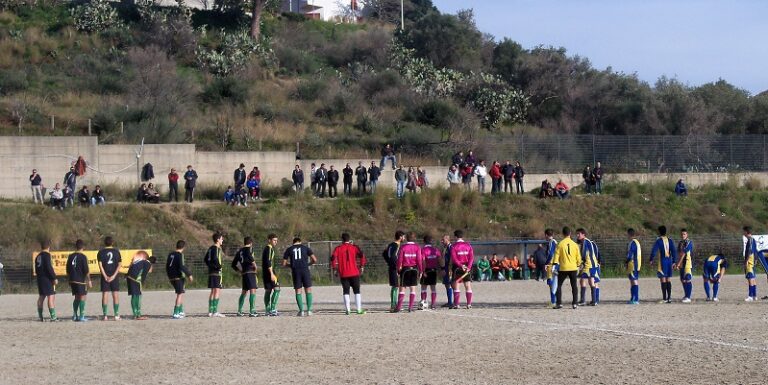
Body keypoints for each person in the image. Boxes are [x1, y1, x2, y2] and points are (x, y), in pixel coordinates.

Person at [331, 233, 367, 315]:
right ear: (349, 239)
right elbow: (362, 255)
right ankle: (358, 309)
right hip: (354, 273)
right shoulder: (354, 247)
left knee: (346, 291)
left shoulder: (338, 249)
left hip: (344, 273)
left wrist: (335, 269)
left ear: (342, 240)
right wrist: (361, 265)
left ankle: (348, 310)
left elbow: (333, 258)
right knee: (357, 291)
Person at [283, 238, 317, 316]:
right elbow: (315, 259)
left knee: (298, 290)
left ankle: (301, 311)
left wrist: (291, 265)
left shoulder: (289, 249)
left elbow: (284, 263)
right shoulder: (305, 248)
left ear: (293, 242)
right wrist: (308, 264)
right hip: (305, 270)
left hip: (296, 271)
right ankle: (309, 310)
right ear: (300, 242)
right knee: (308, 289)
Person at [553, 227, 582, 309]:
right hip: (573, 268)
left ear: (563, 234)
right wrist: (579, 265)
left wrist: (555, 265)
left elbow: (556, 256)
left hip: (563, 268)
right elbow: (578, 257)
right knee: (574, 286)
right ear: (570, 233)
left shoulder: (560, 244)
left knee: (558, 285)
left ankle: (559, 303)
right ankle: (575, 303)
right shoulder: (575, 244)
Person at [394, 232, 423, 312]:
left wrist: (398, 269)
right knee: (412, 289)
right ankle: (410, 307)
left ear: (406, 238)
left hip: (405, 269)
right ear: (414, 238)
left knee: (402, 289)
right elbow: (419, 260)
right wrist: (421, 271)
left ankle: (399, 307)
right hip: (414, 269)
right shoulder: (417, 247)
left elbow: (400, 259)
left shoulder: (403, 247)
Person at [649, 225, 677, 304]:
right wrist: (674, 261)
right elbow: (674, 251)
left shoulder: (659, 240)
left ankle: (664, 298)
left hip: (663, 261)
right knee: (668, 279)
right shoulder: (670, 240)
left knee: (663, 278)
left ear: (659, 232)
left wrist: (651, 259)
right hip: (669, 261)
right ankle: (669, 298)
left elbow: (654, 250)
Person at [232, 237, 258, 317]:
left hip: (244, 273)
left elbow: (233, 264)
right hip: (250, 272)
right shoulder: (248, 249)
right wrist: (255, 265)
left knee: (244, 292)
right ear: (251, 243)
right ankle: (252, 311)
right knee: (252, 290)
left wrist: (240, 271)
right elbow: (250, 256)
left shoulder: (240, 251)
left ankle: (239, 311)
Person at [166, 240, 193, 319]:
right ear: (184, 247)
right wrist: (189, 274)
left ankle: (180, 311)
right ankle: (175, 312)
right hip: (178, 277)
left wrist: (169, 276)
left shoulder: (171, 254)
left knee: (181, 292)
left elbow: (167, 266)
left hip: (171, 277)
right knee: (180, 294)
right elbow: (181, 266)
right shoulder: (179, 255)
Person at [66, 239, 91, 322]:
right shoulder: (83, 257)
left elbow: (67, 269)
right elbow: (86, 270)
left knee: (77, 297)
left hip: (72, 280)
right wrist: (89, 280)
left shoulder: (70, 256)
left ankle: (75, 315)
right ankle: (82, 316)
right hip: (80, 280)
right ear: (83, 247)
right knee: (82, 297)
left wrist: (69, 279)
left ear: (75, 246)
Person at [97, 236, 121, 321]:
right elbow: (119, 265)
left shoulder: (100, 252)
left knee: (105, 295)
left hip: (105, 276)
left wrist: (105, 276)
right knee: (115, 295)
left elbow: (100, 266)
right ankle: (116, 315)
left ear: (104, 243)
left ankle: (105, 315)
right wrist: (114, 276)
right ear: (112, 243)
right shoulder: (116, 251)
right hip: (114, 275)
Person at [450, 230, 474, 309]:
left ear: (455, 237)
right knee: (467, 285)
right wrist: (469, 267)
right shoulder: (468, 245)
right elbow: (471, 258)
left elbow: (454, 258)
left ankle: (457, 304)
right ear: (462, 236)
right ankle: (469, 304)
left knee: (457, 285)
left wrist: (460, 265)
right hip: (467, 267)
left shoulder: (453, 246)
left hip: (457, 267)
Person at [126, 251, 154, 320]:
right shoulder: (148, 264)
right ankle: (138, 315)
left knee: (134, 295)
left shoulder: (140, 261)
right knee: (138, 296)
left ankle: (135, 314)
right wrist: (142, 282)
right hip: (135, 280)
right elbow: (144, 274)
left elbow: (131, 266)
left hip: (129, 277)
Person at [35, 240, 58, 322]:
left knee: (41, 296)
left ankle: (40, 317)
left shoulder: (38, 256)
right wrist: (54, 278)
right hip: (46, 279)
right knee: (50, 296)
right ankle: (53, 317)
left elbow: (37, 269)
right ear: (49, 247)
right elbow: (49, 267)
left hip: (40, 278)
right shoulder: (47, 255)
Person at [576, 228, 600, 306]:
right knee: (591, 281)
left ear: (583, 234)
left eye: (579, 234)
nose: (577, 235)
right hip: (591, 265)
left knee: (583, 280)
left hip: (589, 265)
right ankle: (594, 301)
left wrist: (580, 262)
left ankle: (583, 300)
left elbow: (583, 254)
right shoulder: (586, 242)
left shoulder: (585, 242)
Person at [204, 232, 225, 317]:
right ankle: (215, 311)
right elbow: (216, 259)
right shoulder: (216, 249)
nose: (222, 240)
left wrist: (210, 266)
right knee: (217, 290)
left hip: (211, 272)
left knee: (213, 291)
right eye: (221, 239)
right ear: (218, 240)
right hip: (217, 272)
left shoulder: (210, 248)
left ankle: (210, 311)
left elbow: (206, 259)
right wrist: (219, 266)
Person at [383, 231, 405, 311]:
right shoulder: (396, 245)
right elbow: (393, 256)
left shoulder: (391, 244)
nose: (404, 238)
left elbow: (384, 253)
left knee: (396, 286)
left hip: (392, 267)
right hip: (395, 268)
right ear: (400, 237)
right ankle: (393, 306)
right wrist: (397, 266)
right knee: (395, 286)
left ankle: (394, 304)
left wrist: (388, 262)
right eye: (403, 236)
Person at [420, 235, 442, 309]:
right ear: (431, 241)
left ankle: (424, 303)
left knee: (423, 287)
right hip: (434, 270)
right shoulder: (435, 250)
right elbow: (440, 259)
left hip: (426, 270)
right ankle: (433, 304)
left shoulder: (423, 250)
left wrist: (423, 271)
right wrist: (441, 269)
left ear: (424, 241)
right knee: (433, 288)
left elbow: (423, 261)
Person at [262, 234, 281, 316]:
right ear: (269, 240)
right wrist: (272, 274)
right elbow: (268, 262)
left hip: (265, 272)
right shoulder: (269, 249)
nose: (276, 242)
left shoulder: (266, 249)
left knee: (268, 290)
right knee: (277, 289)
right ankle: (272, 309)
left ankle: (267, 310)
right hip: (270, 272)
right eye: (274, 240)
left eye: (276, 240)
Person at [674, 229, 694, 303]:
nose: (683, 235)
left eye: (684, 234)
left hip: (687, 263)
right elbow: (678, 253)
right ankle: (686, 295)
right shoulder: (680, 243)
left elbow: (684, 254)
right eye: (682, 234)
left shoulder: (689, 242)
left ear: (687, 235)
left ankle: (688, 297)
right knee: (682, 280)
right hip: (681, 264)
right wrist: (676, 263)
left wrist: (678, 263)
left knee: (687, 279)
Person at [626, 228, 642, 305]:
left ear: (629, 234)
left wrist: (626, 260)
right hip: (637, 264)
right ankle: (633, 298)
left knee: (634, 281)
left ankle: (635, 298)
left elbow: (630, 254)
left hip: (633, 264)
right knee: (632, 281)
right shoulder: (637, 242)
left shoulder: (632, 243)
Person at [743, 226, 758, 302]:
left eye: (744, 232)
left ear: (746, 232)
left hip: (750, 261)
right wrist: (756, 259)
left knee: (750, 278)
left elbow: (749, 251)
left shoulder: (750, 240)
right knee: (753, 278)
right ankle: (755, 295)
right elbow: (756, 251)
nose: (743, 233)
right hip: (752, 261)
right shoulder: (753, 240)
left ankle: (750, 296)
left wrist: (746, 261)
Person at [544, 229, 558, 307]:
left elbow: (551, 254)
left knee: (551, 283)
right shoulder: (555, 242)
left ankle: (553, 301)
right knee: (553, 283)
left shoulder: (552, 242)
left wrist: (546, 263)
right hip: (555, 264)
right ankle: (554, 301)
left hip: (551, 265)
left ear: (546, 235)